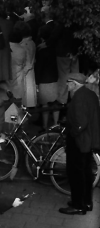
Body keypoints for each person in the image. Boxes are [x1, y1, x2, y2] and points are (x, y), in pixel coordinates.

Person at [59, 72, 100, 215]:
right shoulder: (90, 94)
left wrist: (72, 133)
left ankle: (78, 205)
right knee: (86, 173)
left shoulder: (79, 98)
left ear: (74, 83)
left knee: (75, 173)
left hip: (79, 141)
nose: (66, 85)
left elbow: (80, 123)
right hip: (89, 141)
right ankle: (87, 202)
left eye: (68, 82)